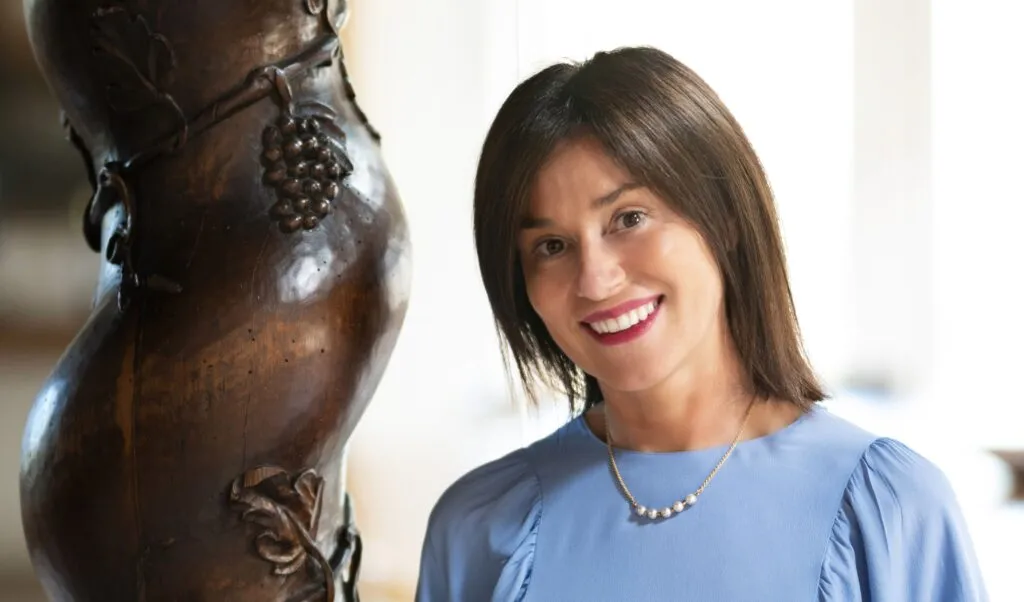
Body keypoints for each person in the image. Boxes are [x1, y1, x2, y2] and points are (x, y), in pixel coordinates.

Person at [414, 46, 988, 601]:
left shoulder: (887, 508)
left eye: (628, 218)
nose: (595, 279)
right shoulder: (480, 528)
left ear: (725, 218)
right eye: (552, 246)